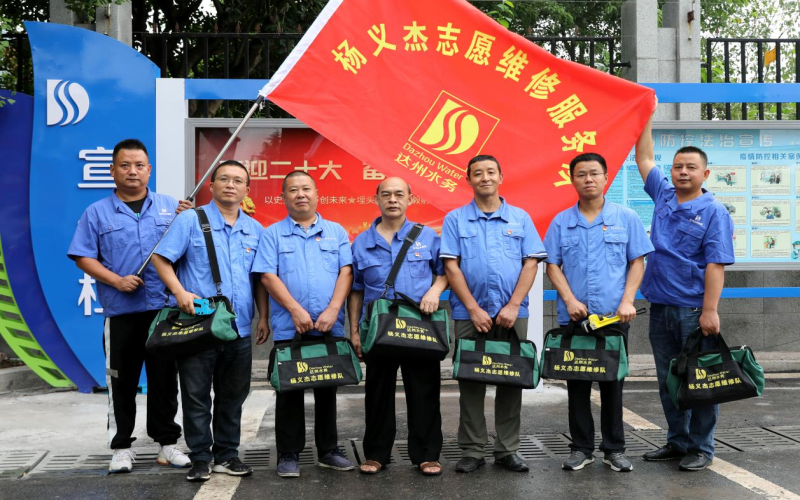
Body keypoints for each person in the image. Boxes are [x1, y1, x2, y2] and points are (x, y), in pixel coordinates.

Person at [68, 138, 192, 473]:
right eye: (125, 165)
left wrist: (188, 219)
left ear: (149, 170)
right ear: (113, 170)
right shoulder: (96, 212)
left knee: (165, 381)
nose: (132, 171)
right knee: (121, 383)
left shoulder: (171, 207)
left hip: (163, 312)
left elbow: (187, 249)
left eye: (139, 165)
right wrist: (116, 281)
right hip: (122, 314)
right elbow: (82, 256)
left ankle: (167, 444)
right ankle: (121, 447)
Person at [152, 160, 269, 482]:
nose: (231, 185)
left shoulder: (255, 229)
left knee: (233, 396)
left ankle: (227, 455)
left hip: (238, 329)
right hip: (198, 328)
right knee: (196, 396)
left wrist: (264, 317)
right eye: (224, 179)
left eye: (238, 181)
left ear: (247, 190)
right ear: (212, 185)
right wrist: (179, 291)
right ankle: (201, 457)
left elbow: (259, 279)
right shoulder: (190, 220)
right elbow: (160, 258)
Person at [635, 100, 735, 471]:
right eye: (678, 166)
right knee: (669, 380)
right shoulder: (663, 194)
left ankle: (701, 448)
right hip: (660, 307)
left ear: (705, 173)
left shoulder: (714, 212)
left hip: (693, 310)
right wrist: (645, 115)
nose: (682, 172)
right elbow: (645, 157)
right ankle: (677, 441)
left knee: (701, 380)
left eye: (690, 167)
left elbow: (716, 265)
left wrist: (710, 310)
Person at [544, 152, 653, 473]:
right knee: (577, 385)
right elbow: (552, 265)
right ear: (572, 180)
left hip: (613, 318)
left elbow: (637, 261)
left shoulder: (626, 217)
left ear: (606, 178)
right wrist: (569, 300)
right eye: (581, 174)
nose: (588, 179)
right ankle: (581, 448)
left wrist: (628, 300)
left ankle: (614, 449)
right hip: (574, 319)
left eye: (594, 173)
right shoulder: (561, 222)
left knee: (612, 386)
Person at [440, 155, 547, 473]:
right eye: (477, 173)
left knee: (511, 380)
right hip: (468, 314)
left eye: (490, 172)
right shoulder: (456, 219)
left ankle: (507, 449)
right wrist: (473, 309)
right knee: (470, 382)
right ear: (468, 180)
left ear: (501, 176)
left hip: (514, 313)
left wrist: (513, 305)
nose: (484, 177)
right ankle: (472, 450)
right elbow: (451, 266)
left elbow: (531, 263)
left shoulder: (520, 218)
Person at [253, 171, 354, 478]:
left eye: (306, 189)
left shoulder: (336, 232)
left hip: (328, 326)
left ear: (317, 194)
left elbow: (346, 272)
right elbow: (267, 275)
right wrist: (295, 310)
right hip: (290, 326)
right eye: (293, 190)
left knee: (327, 389)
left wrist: (334, 310)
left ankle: (328, 450)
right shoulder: (272, 234)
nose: (300, 194)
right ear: (283, 197)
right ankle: (288, 453)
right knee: (289, 391)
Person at [347, 177, 449, 476]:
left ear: (409, 199)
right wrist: (354, 331)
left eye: (399, 194)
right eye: (387, 194)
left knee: (424, 391)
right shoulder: (362, 242)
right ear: (376, 199)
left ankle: (427, 455)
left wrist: (434, 291)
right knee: (377, 393)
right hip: (378, 329)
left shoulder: (427, 236)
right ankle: (377, 454)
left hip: (418, 326)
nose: (393, 199)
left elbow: (445, 272)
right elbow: (356, 290)